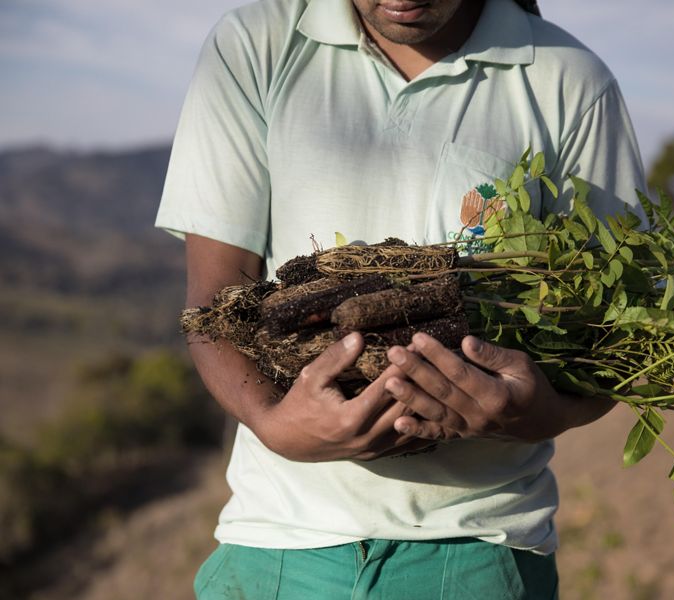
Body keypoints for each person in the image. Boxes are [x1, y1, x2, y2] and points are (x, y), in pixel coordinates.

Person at [156, 0, 646, 597]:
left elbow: (616, 340)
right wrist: (277, 426)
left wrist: (536, 413)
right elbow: (213, 299)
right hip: (276, 544)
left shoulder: (568, 80)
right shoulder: (257, 44)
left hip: (477, 552)